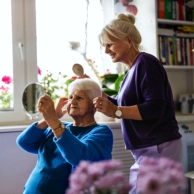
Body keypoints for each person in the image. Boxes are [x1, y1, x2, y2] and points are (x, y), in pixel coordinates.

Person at [92, 13, 182, 194]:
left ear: (128, 40)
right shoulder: (131, 71)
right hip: (146, 150)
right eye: (104, 46)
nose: (106, 50)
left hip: (159, 146)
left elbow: (155, 108)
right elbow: (123, 104)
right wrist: (96, 93)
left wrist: (116, 110)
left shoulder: (146, 63)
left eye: (109, 44)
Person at [16, 78, 113, 194]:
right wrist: (50, 119)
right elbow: (24, 142)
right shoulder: (59, 126)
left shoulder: (101, 132)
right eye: (70, 97)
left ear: (94, 104)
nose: (72, 102)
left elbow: (80, 157)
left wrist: (54, 121)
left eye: (79, 98)